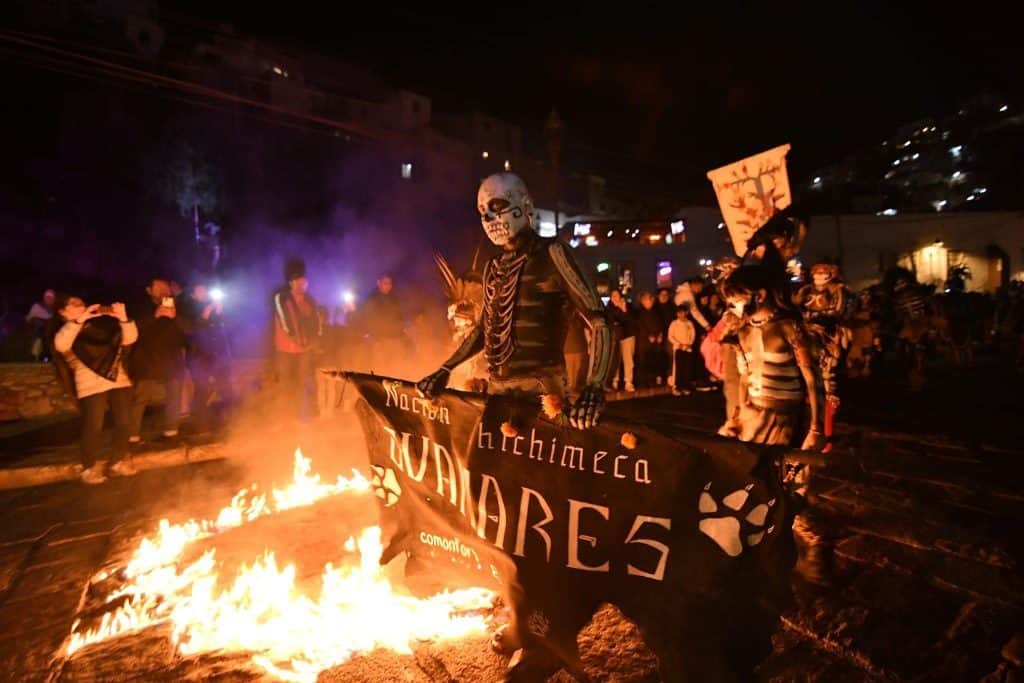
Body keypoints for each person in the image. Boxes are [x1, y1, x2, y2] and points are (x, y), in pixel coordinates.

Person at [417, 172, 611, 430]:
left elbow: (600, 320)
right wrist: (445, 369)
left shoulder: (554, 254)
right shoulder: (492, 268)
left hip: (544, 392)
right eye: (482, 211)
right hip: (497, 391)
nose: (488, 218)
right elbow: (484, 330)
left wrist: (594, 388)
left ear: (526, 205)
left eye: (497, 206)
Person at [50, 295, 138, 484]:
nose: (80, 306)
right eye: (73, 304)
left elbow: (129, 340)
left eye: (81, 303)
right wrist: (79, 320)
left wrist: (123, 318)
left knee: (124, 422)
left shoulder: (100, 328)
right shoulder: (66, 331)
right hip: (90, 383)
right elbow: (61, 344)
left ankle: (117, 462)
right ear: (62, 312)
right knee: (94, 426)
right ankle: (89, 467)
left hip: (117, 379)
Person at [127, 278, 187, 445]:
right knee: (140, 399)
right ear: (149, 290)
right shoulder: (140, 307)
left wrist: (175, 317)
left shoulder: (178, 307)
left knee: (174, 396)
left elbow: (190, 329)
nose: (163, 291)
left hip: (172, 360)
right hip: (146, 359)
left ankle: (171, 432)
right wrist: (155, 316)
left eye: (166, 287)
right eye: (158, 287)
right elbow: (132, 328)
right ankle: (132, 436)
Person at [271, 258, 325, 419]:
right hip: (286, 348)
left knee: (302, 383)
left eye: (304, 282)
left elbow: (317, 322)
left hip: (304, 349)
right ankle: (283, 416)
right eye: (299, 281)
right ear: (291, 282)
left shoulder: (310, 300)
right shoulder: (282, 297)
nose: (302, 284)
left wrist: (315, 340)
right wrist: (297, 340)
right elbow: (285, 321)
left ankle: (300, 415)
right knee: (285, 383)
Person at [178, 282, 234, 433]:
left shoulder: (214, 308)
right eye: (200, 291)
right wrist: (204, 316)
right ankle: (201, 426)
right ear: (192, 294)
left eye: (205, 290)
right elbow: (189, 331)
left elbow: (229, 326)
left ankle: (231, 423)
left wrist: (220, 312)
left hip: (219, 355)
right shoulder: (187, 309)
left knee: (226, 388)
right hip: (199, 356)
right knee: (202, 390)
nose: (204, 293)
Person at [606, 289, 636, 392]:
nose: (615, 297)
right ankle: (615, 381)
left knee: (628, 360)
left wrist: (624, 310)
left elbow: (632, 320)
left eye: (616, 295)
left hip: (627, 336)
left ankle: (628, 382)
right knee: (615, 360)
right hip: (615, 338)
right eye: (612, 295)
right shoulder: (608, 309)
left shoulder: (628, 306)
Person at [668, 305, 696, 395]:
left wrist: (689, 344)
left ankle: (685, 386)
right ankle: (677, 387)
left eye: (682, 312)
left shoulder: (689, 323)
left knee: (687, 368)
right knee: (678, 368)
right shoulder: (674, 323)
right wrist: (678, 344)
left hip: (687, 348)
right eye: (679, 312)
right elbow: (670, 336)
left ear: (686, 313)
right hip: (678, 348)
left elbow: (693, 335)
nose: (681, 314)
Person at [26, 289, 55, 361]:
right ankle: (35, 355)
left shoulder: (55, 308)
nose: (49, 299)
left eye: (51, 297)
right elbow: (29, 318)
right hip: (39, 329)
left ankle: (47, 355)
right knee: (39, 333)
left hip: (50, 330)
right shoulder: (37, 306)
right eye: (47, 297)